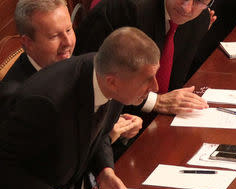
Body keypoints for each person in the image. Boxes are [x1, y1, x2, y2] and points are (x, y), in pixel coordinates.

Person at [0, 26, 160, 189]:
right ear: (112, 81)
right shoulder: (45, 101)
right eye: (147, 79)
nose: (155, 86)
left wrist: (105, 172)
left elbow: (97, 133)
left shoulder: (112, 78)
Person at [3, 0, 143, 153]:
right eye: (54, 36)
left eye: (69, 30)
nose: (68, 42)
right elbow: (52, 166)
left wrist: (118, 123)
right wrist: (106, 136)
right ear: (28, 42)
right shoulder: (17, 98)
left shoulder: (70, 62)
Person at [74, 0, 210, 124]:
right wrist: (155, 101)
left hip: (157, 123)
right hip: (104, 121)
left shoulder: (199, 20)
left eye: (199, 1)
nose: (187, 8)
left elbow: (176, 84)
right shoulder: (126, 8)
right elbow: (93, 77)